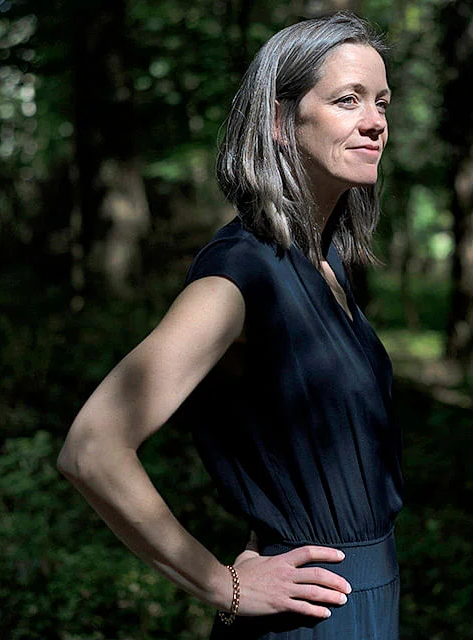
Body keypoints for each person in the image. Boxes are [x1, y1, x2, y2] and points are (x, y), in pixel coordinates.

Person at [57, 12, 402, 639]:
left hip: (367, 603)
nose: (376, 120)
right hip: (309, 618)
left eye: (381, 101)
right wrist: (222, 584)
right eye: (347, 100)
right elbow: (93, 447)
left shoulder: (324, 264)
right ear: (278, 120)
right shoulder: (243, 271)